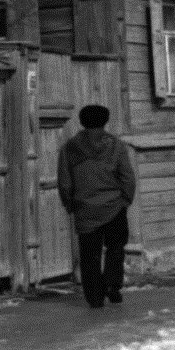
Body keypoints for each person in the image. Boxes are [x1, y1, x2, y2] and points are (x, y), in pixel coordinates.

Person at [57, 104, 136, 308]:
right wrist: (126, 199)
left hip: (85, 210)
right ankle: (112, 285)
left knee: (89, 254)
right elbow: (127, 176)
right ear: (105, 120)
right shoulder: (116, 146)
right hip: (114, 207)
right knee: (115, 249)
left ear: (82, 122)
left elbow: (65, 181)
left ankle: (94, 296)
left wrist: (70, 204)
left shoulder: (70, 148)